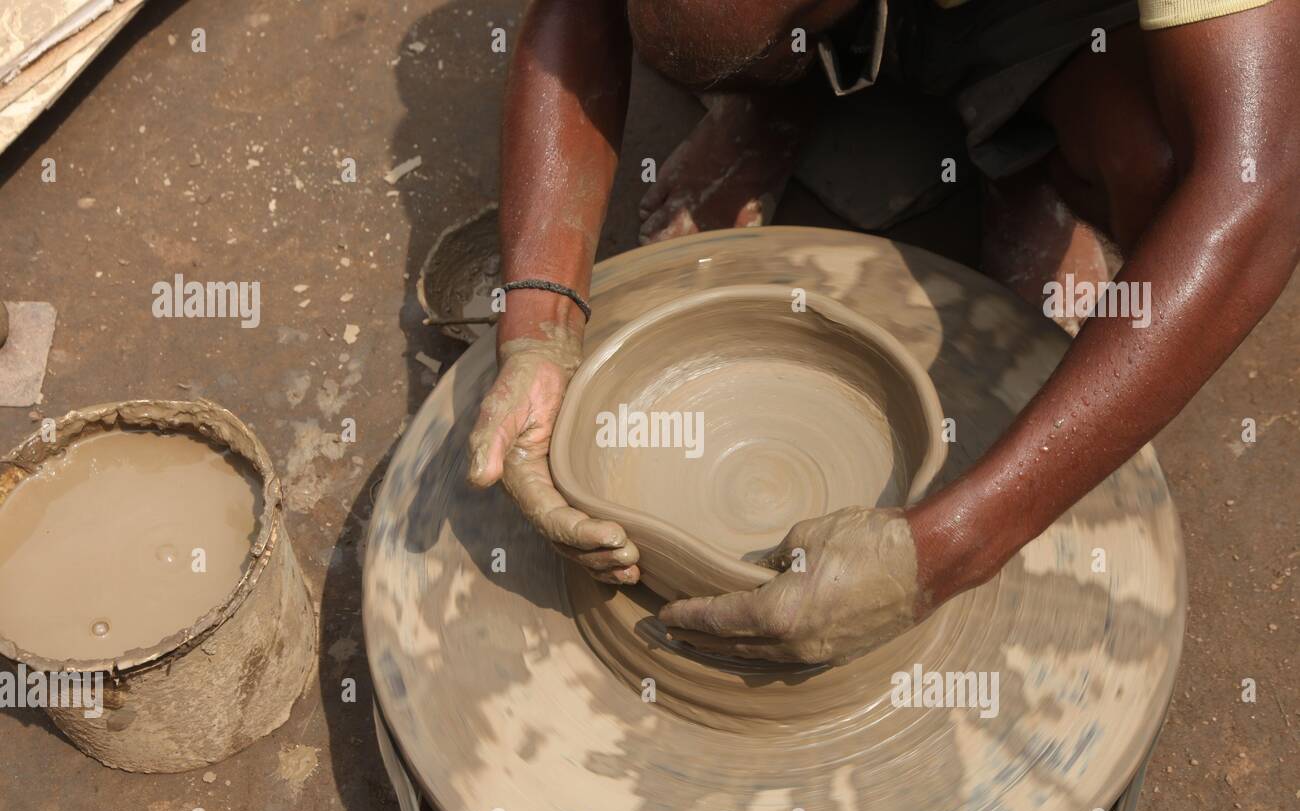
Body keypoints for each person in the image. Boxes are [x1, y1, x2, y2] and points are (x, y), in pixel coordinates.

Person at [467, 0, 1299, 664]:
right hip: (821, 20)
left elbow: (1259, 189)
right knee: (695, 17)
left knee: (1155, 159)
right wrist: (537, 326)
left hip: (1057, 24)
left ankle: (1033, 156)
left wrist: (946, 552)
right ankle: (776, 94)